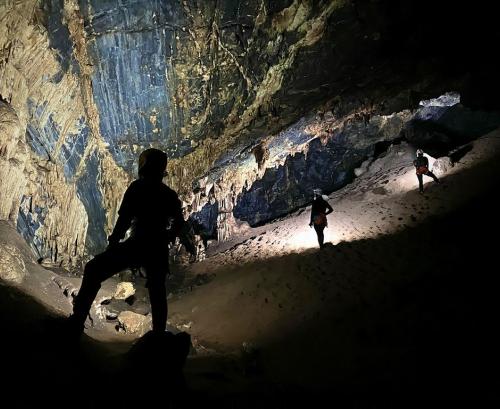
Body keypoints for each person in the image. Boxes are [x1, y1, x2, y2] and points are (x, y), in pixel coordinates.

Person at [65, 148, 185, 337]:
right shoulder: (168, 195)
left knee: (93, 269)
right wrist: (166, 237)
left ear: (144, 166)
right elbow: (179, 224)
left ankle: (77, 321)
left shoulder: (138, 188)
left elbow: (124, 220)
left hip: (138, 243)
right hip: (157, 248)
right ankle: (158, 335)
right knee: (157, 290)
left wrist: (113, 242)